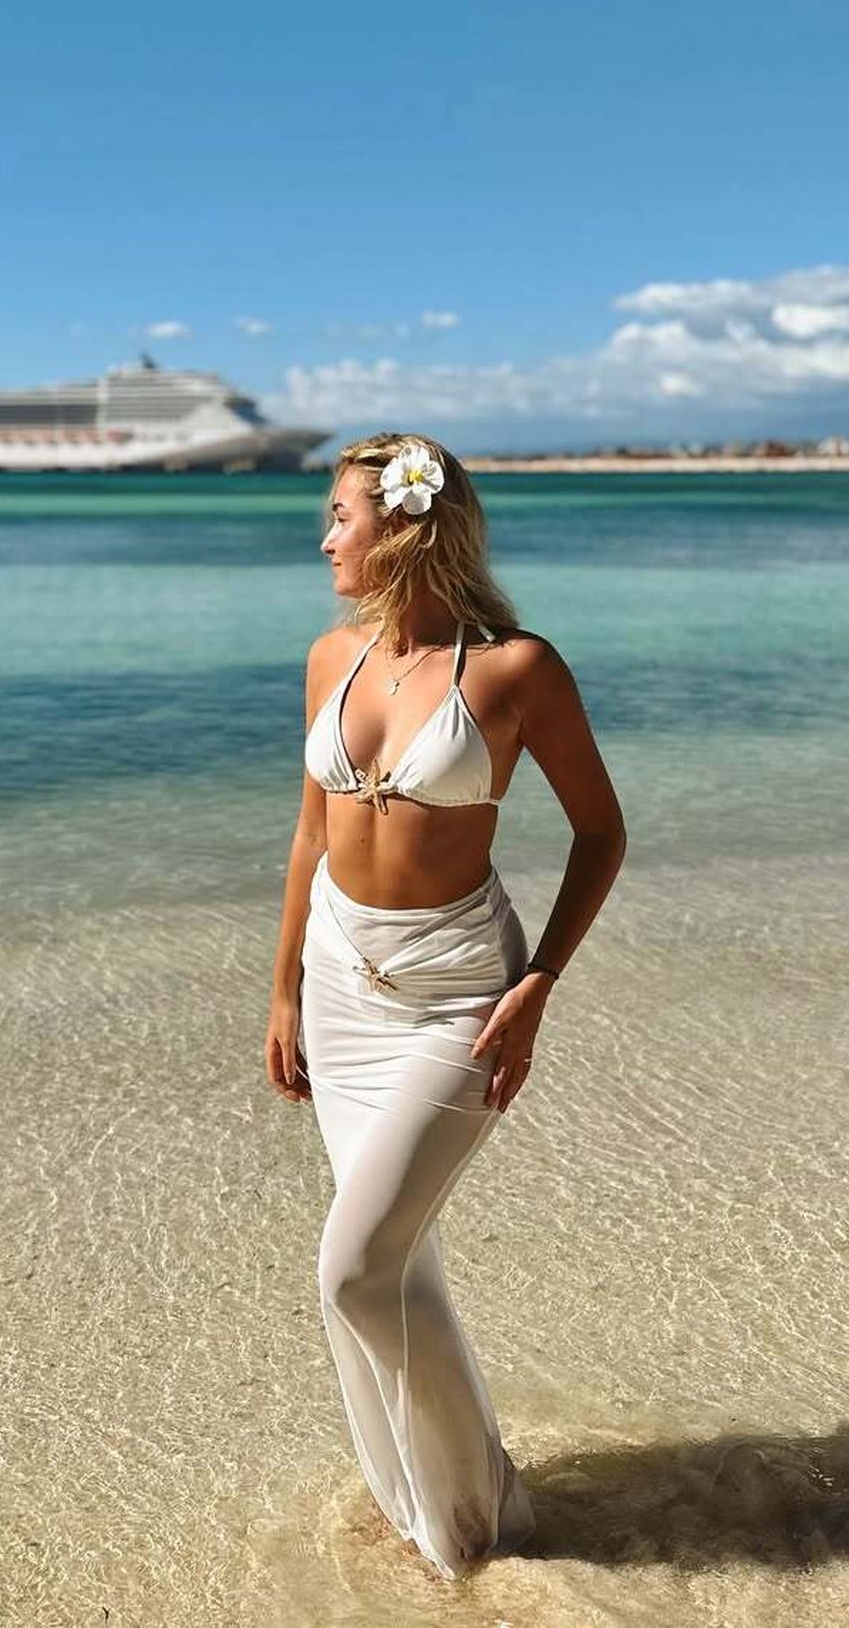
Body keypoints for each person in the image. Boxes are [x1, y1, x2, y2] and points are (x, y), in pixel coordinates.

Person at [265, 432, 627, 1582]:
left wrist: (539, 984)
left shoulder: (518, 669)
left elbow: (601, 831)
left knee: (353, 1270)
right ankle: (445, 1515)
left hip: (459, 998)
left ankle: (485, 1505)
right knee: (396, 1265)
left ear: (407, 524)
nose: (326, 539)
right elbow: (312, 835)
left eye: (341, 515)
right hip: (340, 985)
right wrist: (283, 986)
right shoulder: (331, 657)